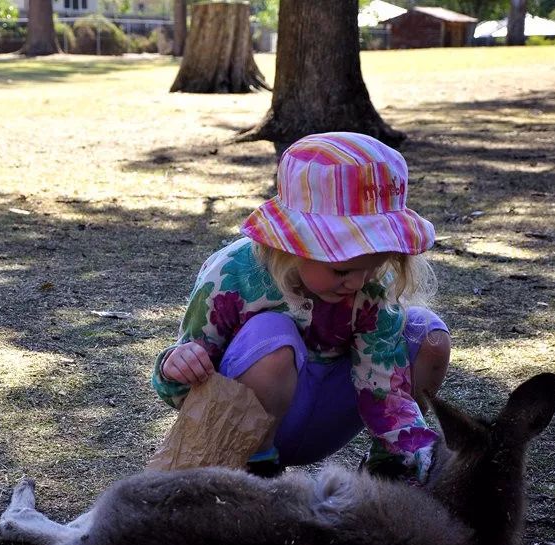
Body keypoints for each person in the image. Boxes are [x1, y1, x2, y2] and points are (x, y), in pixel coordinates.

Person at [151, 132, 450, 484]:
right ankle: (257, 472)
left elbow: (383, 385)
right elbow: (185, 388)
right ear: (292, 244)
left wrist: (419, 451)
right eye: (341, 268)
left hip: (328, 417)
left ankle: (389, 469)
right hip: (244, 427)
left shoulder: (369, 285)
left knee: (426, 332)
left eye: (374, 264)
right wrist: (177, 367)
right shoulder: (231, 275)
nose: (357, 282)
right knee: (271, 335)